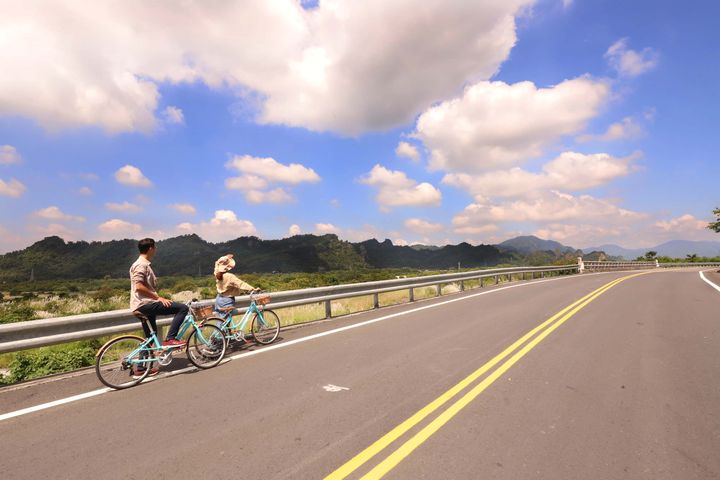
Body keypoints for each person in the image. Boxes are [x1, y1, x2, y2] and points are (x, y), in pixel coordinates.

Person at [130, 238, 189, 348]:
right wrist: (158, 298)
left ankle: (143, 366)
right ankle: (171, 338)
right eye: (155, 247)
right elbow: (139, 286)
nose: (156, 250)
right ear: (151, 248)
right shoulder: (141, 265)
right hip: (146, 304)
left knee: (150, 338)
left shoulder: (142, 264)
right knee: (183, 308)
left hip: (141, 305)